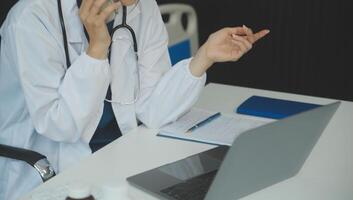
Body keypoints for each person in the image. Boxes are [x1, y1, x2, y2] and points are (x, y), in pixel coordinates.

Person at [0, 0, 269, 199]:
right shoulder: (30, 20)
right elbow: (59, 126)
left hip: (121, 153)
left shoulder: (140, 6)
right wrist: (96, 50)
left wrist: (204, 57)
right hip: (49, 168)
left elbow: (153, 110)